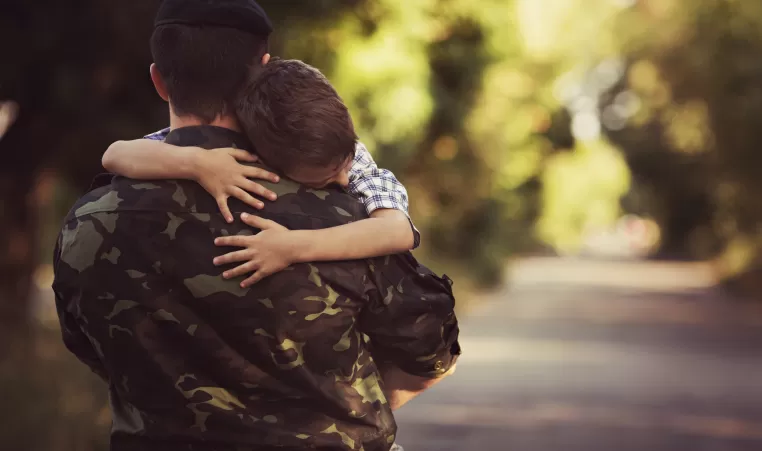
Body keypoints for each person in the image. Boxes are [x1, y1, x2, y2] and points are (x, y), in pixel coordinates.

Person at [52, 2, 460, 451]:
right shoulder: (343, 217)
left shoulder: (89, 222)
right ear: (261, 72)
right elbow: (431, 350)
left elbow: (89, 346)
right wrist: (338, 408)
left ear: (159, 80)